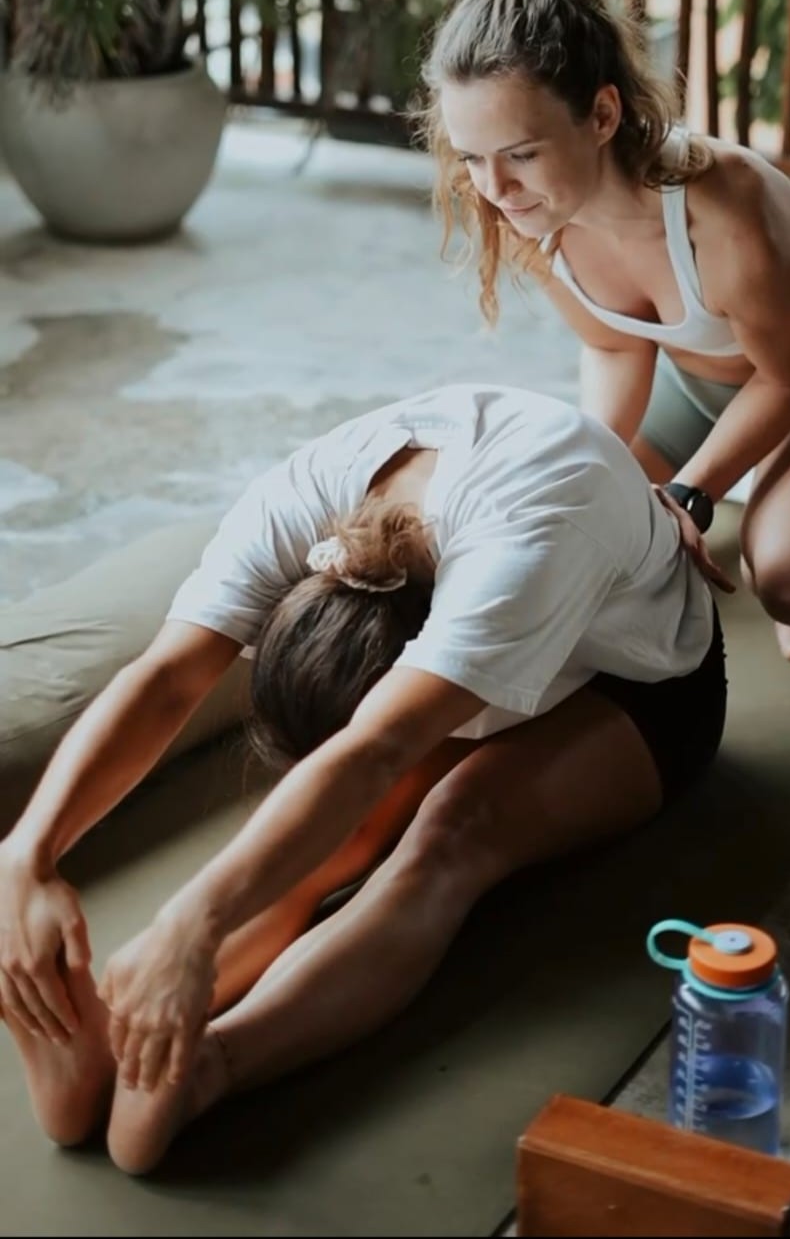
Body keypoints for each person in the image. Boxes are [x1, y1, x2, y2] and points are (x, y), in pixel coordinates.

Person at [0, 382, 730, 1176]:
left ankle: (211, 1064)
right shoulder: (301, 497)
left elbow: (377, 748)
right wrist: (26, 854)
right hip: (477, 624)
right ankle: (112, 1045)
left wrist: (191, 927)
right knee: (327, 837)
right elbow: (169, 676)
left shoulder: (527, 539)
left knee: (449, 834)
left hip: (636, 684)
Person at [418, 0, 790, 665]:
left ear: (603, 114)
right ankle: (778, 487)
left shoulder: (731, 206)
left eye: (522, 153)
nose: (494, 187)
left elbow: (787, 378)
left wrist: (690, 492)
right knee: (563, 526)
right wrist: (595, 468)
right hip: (695, 391)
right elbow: (614, 345)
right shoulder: (528, 208)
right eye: (473, 158)